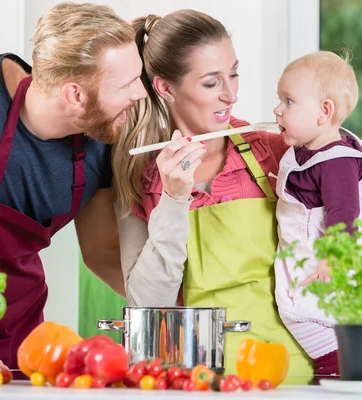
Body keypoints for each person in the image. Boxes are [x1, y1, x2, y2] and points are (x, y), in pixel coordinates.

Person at [0, 2, 146, 371]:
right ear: (75, 95)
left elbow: (102, 252)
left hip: (22, 340)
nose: (139, 93)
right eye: (127, 84)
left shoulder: (103, 133)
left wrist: (178, 306)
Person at [112, 10, 314, 383]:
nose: (232, 94)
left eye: (233, 73)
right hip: (194, 378)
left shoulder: (272, 153)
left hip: (292, 372)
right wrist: (173, 199)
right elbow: (147, 304)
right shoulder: (138, 178)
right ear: (166, 88)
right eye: (211, 83)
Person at [272, 51, 362, 377]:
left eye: (288, 102)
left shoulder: (337, 160)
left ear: (324, 111)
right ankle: (333, 372)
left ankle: (333, 375)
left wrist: (335, 257)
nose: (277, 109)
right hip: (307, 259)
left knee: (310, 318)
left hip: (325, 266)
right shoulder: (309, 150)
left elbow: (344, 212)